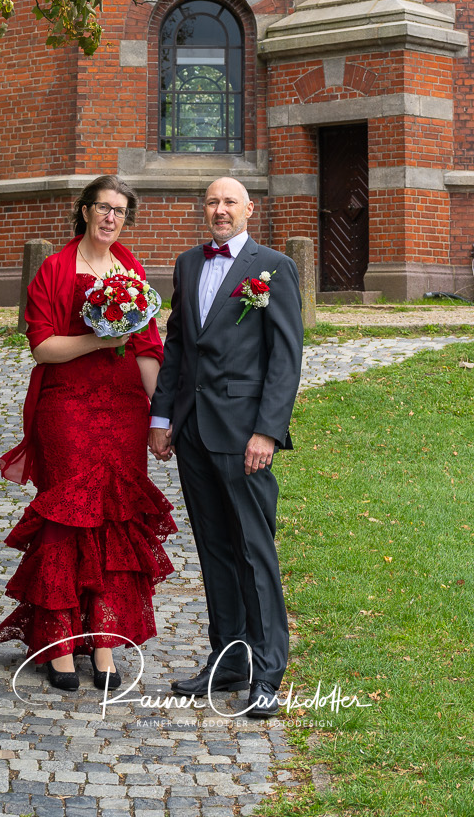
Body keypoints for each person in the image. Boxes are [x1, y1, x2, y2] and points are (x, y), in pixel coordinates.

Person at [0, 174, 175, 693]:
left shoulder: (131, 269)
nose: (110, 218)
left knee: (115, 520)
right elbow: (43, 348)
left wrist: (158, 418)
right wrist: (98, 341)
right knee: (69, 517)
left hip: (123, 410)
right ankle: (59, 644)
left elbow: (146, 348)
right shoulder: (54, 269)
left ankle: (103, 641)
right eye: (102, 207)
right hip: (67, 406)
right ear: (84, 210)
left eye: (120, 210)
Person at [148, 176, 303, 719]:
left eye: (229, 202)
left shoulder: (273, 267)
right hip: (192, 432)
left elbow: (285, 358)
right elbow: (178, 345)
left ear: (249, 209)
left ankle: (267, 671)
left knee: (254, 551)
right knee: (214, 550)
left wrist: (267, 431)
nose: (220, 210)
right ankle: (228, 659)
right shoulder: (188, 264)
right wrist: (162, 418)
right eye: (212, 202)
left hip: (243, 436)